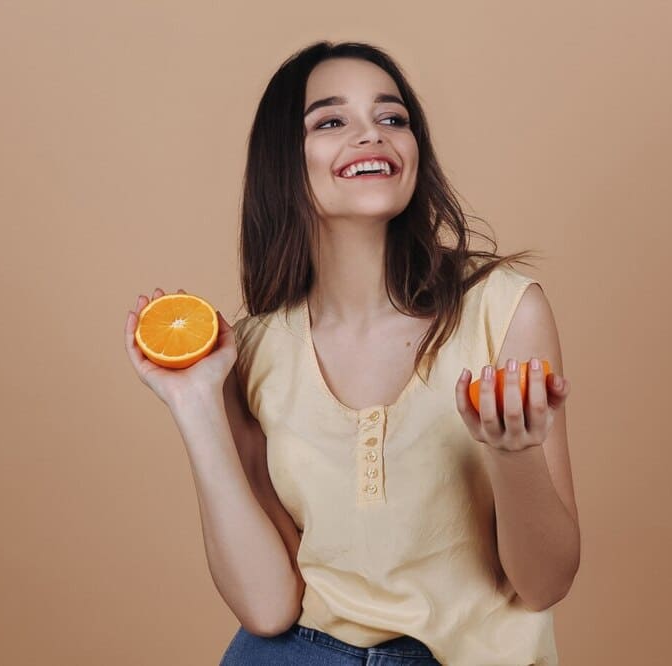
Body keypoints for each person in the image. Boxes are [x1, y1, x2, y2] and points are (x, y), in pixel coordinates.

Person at [124, 40, 579, 666]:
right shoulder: (252, 349)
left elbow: (545, 583)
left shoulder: (504, 310)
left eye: (392, 118)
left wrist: (514, 454)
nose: (372, 136)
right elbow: (267, 608)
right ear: (285, 161)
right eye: (331, 121)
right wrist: (197, 403)